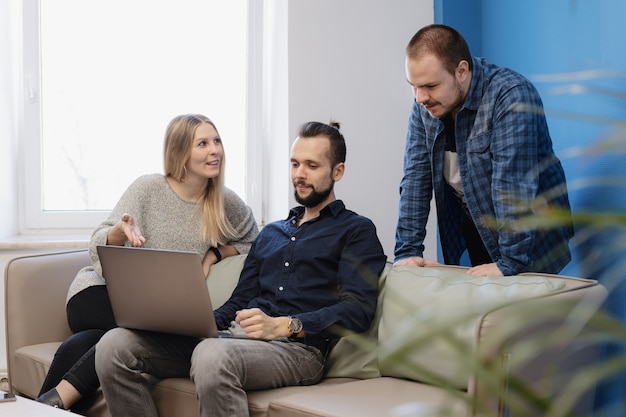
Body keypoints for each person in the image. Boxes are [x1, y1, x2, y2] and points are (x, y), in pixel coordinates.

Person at [94, 120, 387, 417]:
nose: (299, 174)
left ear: (337, 171)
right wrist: (193, 323)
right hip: (232, 340)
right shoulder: (272, 233)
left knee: (211, 355)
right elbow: (239, 301)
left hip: (298, 351)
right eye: (295, 164)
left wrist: (286, 324)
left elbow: (358, 310)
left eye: (312, 166)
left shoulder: (355, 230)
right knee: (114, 346)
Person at [36, 114, 259, 413]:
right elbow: (98, 242)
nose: (214, 150)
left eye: (216, 141)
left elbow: (255, 244)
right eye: (203, 143)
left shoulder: (224, 202)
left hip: (151, 312)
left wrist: (213, 255)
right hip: (98, 294)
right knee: (161, 327)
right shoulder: (148, 188)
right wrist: (117, 233)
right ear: (180, 151)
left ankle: (41, 407)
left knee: (89, 344)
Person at [394, 24, 574, 276]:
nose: (420, 97)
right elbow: (415, 178)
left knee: (527, 314)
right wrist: (408, 252)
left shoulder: (511, 96)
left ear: (462, 71)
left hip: (531, 237)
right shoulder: (425, 105)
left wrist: (510, 262)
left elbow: (512, 186)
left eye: (431, 86)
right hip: (481, 229)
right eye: (413, 85)